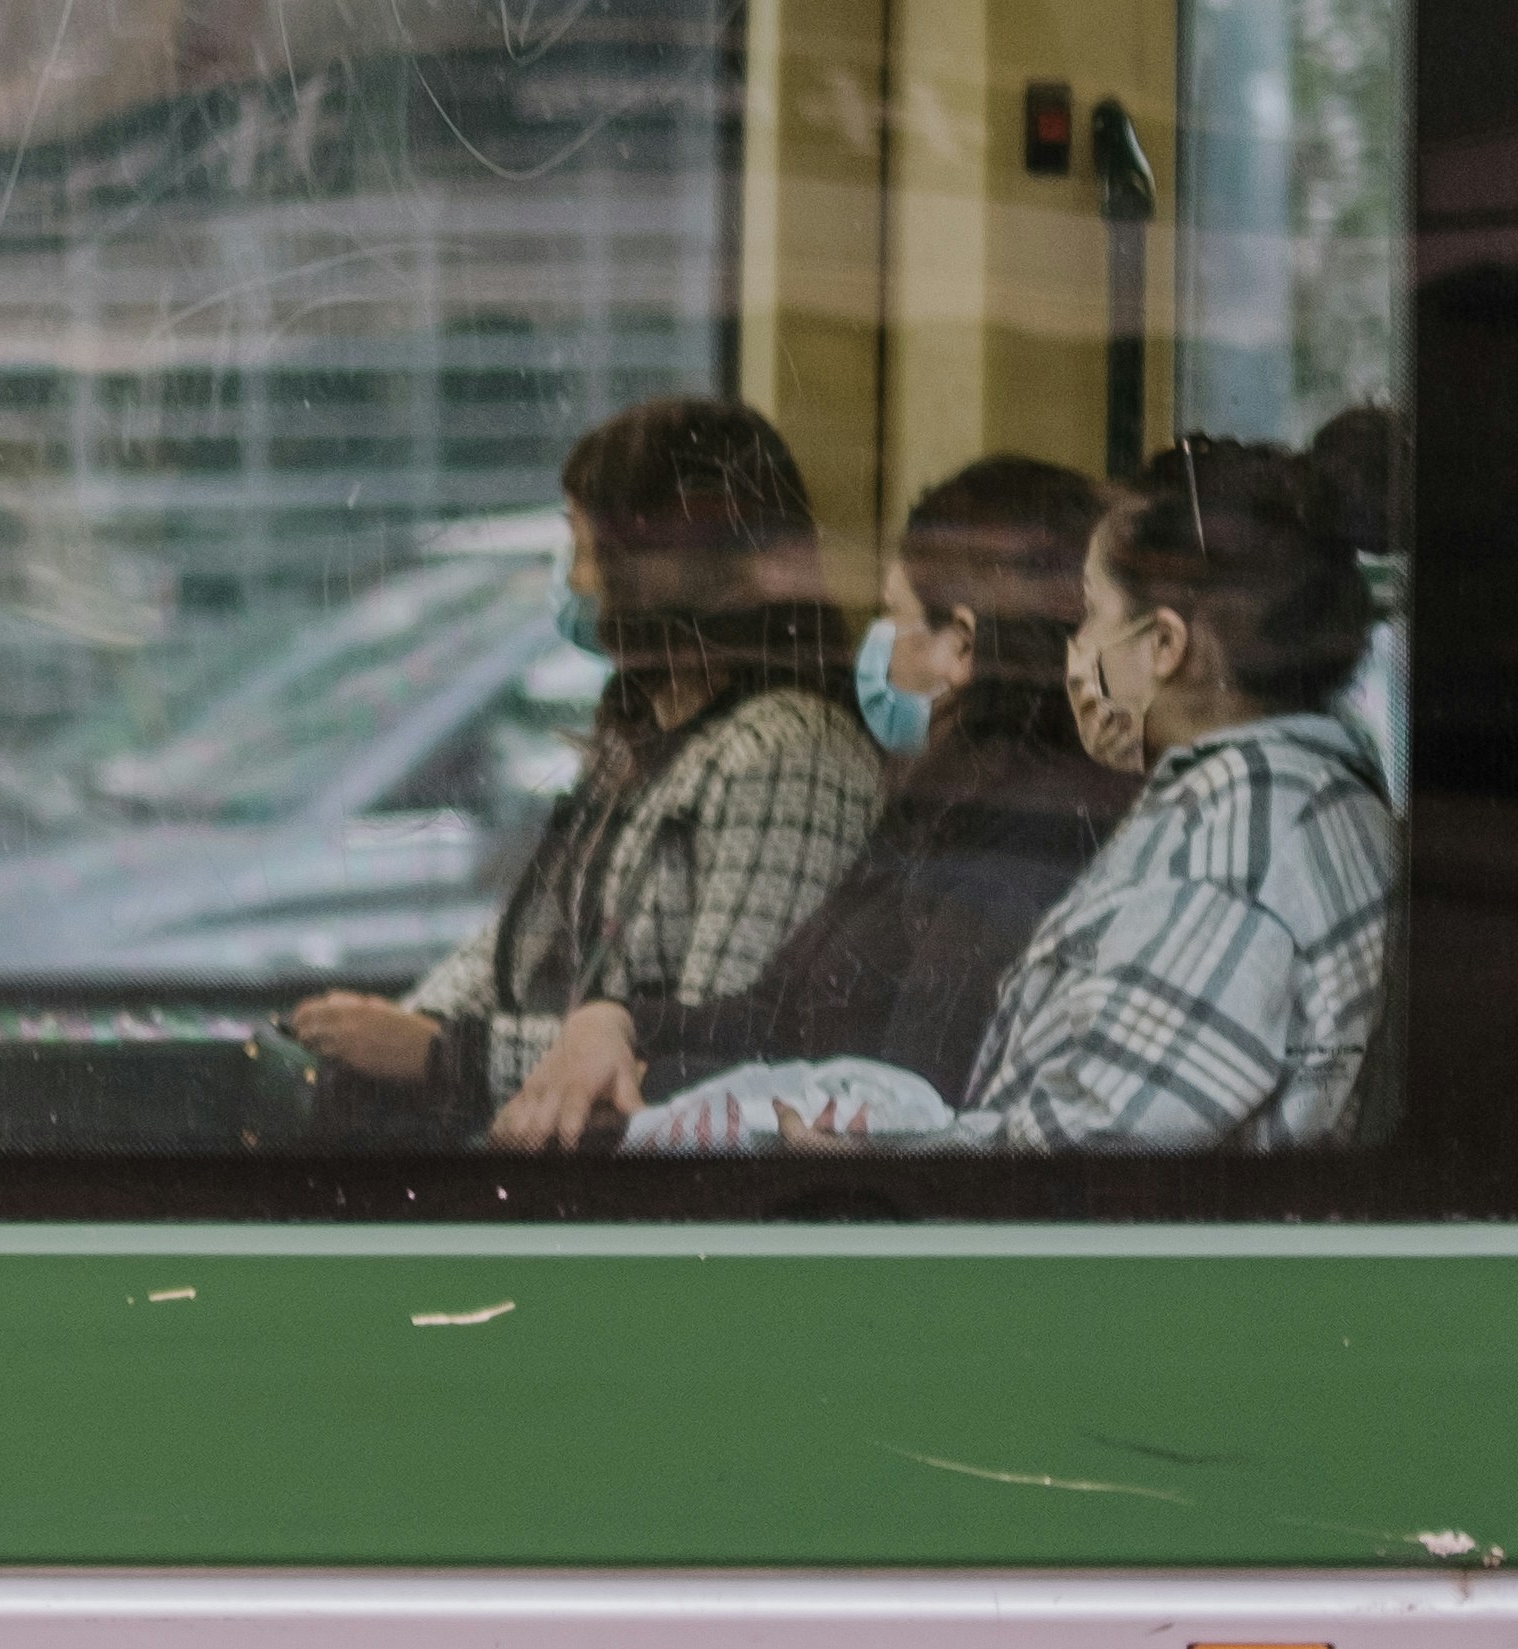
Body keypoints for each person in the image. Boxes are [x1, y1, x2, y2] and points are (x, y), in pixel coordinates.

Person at [494, 456, 1141, 1146]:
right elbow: (777, 1015)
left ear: (961, 646)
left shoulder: (1019, 834)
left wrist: (641, 1091)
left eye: (892, 617)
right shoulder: (940, 803)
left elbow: (899, 1096)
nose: (877, 648)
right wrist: (617, 1022)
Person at [281, 398, 885, 1129]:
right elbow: (520, 945)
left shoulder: (788, 754)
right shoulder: (642, 740)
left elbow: (709, 1044)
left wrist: (448, 1052)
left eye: (585, 547)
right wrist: (392, 1028)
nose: (575, 583)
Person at [819, 436, 1403, 1154]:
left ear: (1163, 644)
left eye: (1091, 612)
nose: (1077, 648)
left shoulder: (1227, 852)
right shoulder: (1293, 793)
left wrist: (878, 1160)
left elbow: (1086, 1148)